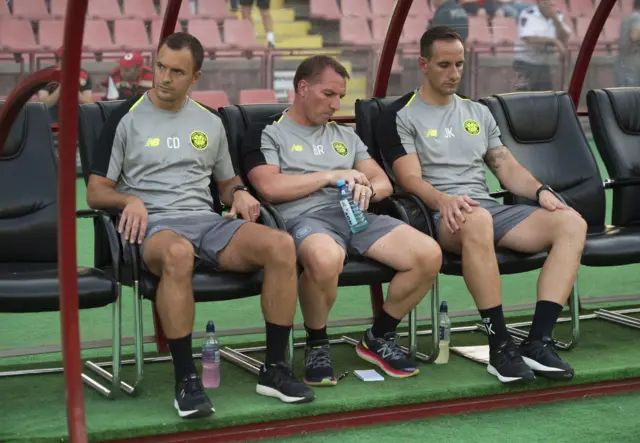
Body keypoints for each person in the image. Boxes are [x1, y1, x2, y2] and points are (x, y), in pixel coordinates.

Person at [86, 32, 314, 419]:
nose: (164, 78)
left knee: (281, 245)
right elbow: (96, 192)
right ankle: (186, 379)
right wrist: (130, 199)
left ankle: (274, 369)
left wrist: (239, 191)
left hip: (207, 223)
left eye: (176, 71)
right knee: (177, 254)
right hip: (155, 227)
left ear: (195, 77)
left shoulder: (209, 123)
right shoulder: (125, 118)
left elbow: (225, 183)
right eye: (160, 66)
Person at [377, 26, 587, 384]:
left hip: (487, 209)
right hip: (438, 215)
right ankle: (500, 344)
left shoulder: (477, 112)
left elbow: (505, 166)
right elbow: (409, 179)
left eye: (459, 63)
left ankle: (538, 341)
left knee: (571, 223)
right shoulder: (400, 114)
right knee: (476, 221)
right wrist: (445, 200)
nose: (454, 73)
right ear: (423, 64)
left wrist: (540, 192)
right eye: (444, 65)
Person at [241, 55, 442, 386]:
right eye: (328, 94)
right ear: (302, 88)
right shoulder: (268, 131)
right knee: (325, 257)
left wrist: (367, 189)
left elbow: (383, 183)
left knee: (428, 254)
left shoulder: (346, 136)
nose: (335, 104)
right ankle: (317, 342)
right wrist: (331, 175)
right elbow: (269, 187)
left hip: (356, 216)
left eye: (340, 96)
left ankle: (378, 337)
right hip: (303, 219)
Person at [513, 0, 571, 91]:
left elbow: (564, 37)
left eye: (551, 3)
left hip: (543, 63)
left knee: (546, 95)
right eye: (546, 3)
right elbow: (528, 38)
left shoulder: (558, 15)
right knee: (526, 95)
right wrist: (554, 41)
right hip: (526, 62)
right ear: (539, 3)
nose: (549, 5)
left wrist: (555, 20)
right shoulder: (528, 14)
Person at [38, 46, 94, 122]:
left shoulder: (83, 75)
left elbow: (89, 104)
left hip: (76, 116)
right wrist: (61, 86)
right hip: (51, 116)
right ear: (59, 61)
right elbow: (43, 105)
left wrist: (73, 88)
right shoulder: (46, 75)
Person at [615, 0, 640, 87]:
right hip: (633, 64)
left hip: (622, 62)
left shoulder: (626, 18)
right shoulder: (638, 17)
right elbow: (634, 36)